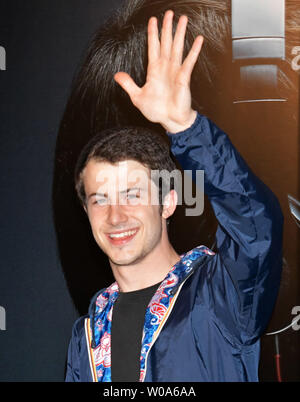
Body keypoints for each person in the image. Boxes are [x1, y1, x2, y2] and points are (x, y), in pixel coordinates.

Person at [65, 10, 283, 382]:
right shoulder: (87, 334)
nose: (115, 216)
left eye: (132, 194)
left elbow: (255, 226)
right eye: (99, 199)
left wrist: (185, 127)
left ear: (168, 202)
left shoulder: (220, 294)